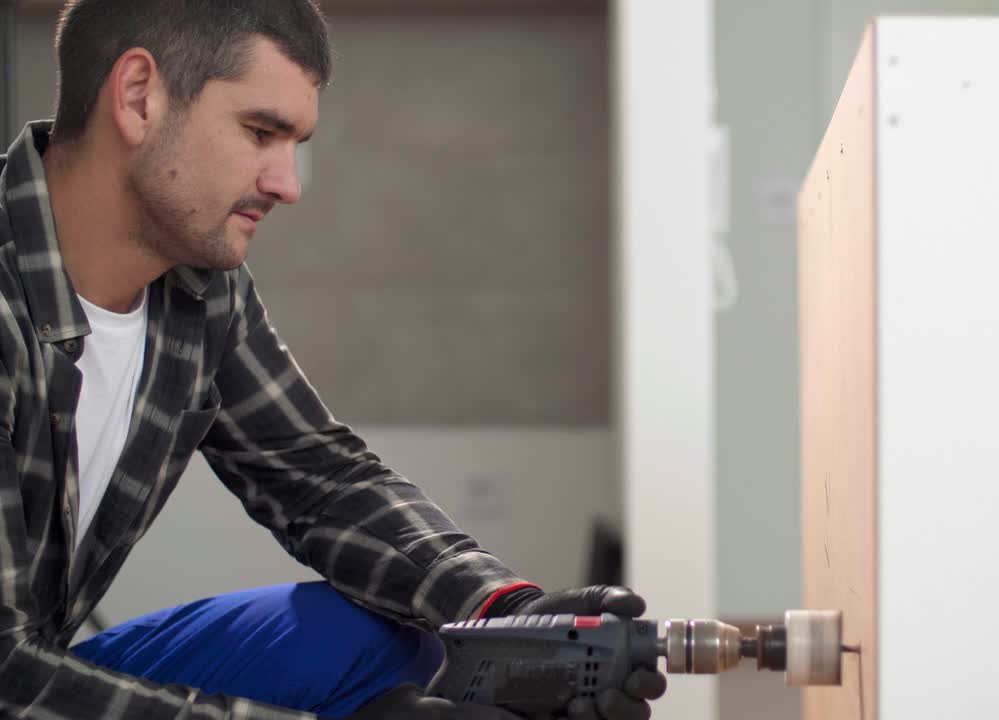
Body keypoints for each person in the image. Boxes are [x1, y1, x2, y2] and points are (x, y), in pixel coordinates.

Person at [0, 1, 665, 718]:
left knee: (381, 636)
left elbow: (319, 480)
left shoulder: (200, 291)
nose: (288, 183)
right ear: (138, 97)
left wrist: (505, 612)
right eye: (260, 132)